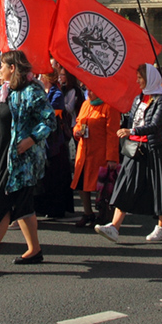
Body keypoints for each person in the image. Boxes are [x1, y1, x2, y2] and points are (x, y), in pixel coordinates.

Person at [0, 51, 56, 272]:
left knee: (3, 205)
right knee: (23, 207)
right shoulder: (4, 91)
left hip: (22, 162)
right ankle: (34, 250)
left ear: (13, 68)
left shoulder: (32, 90)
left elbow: (49, 120)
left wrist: (31, 140)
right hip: (5, 157)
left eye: (3, 67)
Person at [95, 64, 162, 243]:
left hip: (151, 149)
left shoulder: (160, 100)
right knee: (125, 185)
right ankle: (114, 226)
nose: (137, 81)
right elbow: (131, 118)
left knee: (158, 188)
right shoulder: (139, 98)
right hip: (134, 150)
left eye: (140, 77)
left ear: (149, 78)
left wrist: (132, 131)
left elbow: (155, 125)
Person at [71, 87, 120, 226]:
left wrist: (112, 158)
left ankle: (102, 215)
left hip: (99, 154)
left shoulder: (110, 107)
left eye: (93, 90)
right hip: (83, 152)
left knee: (101, 187)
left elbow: (113, 134)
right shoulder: (86, 104)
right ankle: (88, 213)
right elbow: (78, 123)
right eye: (88, 90)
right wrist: (76, 132)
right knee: (81, 184)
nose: (89, 93)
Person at [35, 69, 74, 219]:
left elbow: (53, 113)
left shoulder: (57, 94)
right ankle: (43, 206)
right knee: (44, 175)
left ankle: (57, 208)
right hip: (43, 138)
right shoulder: (41, 91)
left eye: (42, 75)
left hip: (54, 140)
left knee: (55, 174)